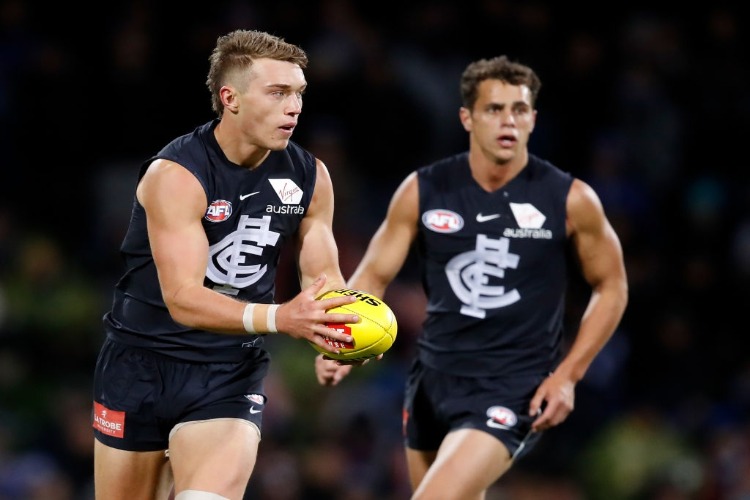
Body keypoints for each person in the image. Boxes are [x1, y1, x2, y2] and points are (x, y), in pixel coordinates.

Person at [316, 55, 629, 498]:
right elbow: (374, 273)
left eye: (519, 110)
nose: (508, 121)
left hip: (513, 384)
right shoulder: (424, 189)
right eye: (493, 109)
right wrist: (342, 338)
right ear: (467, 117)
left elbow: (612, 285)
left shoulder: (570, 199)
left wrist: (569, 375)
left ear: (533, 119)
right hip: (432, 381)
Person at [92, 29, 361, 500]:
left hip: (228, 370)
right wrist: (283, 317)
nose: (294, 106)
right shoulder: (176, 175)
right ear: (229, 97)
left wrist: (339, 329)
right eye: (278, 92)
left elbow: (323, 274)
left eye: (299, 93)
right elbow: (182, 299)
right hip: (138, 365)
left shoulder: (311, 175)